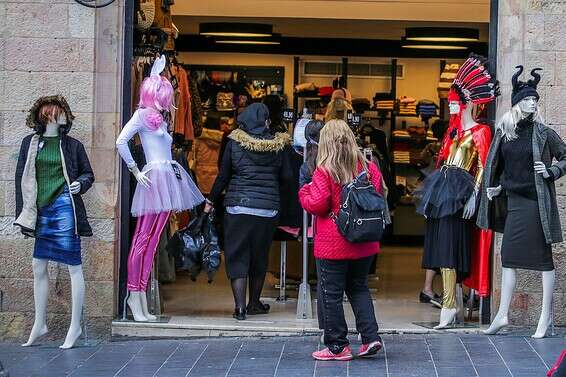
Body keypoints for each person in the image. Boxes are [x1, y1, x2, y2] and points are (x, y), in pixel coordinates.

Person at [478, 66, 566, 338]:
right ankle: (502, 314)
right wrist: (496, 188)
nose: (533, 103)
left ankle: (545, 316)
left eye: (535, 99)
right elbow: (502, 167)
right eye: (528, 99)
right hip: (514, 203)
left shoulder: (543, 132)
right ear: (517, 102)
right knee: (508, 259)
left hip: (536, 204)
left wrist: (551, 171)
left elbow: (564, 157)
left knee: (543, 260)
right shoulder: (505, 131)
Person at [116, 56, 204, 322]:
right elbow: (121, 141)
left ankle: (140, 294)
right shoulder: (142, 115)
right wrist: (135, 170)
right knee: (142, 239)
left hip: (167, 177)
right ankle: (133, 293)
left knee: (152, 242)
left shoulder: (160, 118)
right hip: (154, 178)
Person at [299, 119, 382, 361]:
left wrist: (304, 191)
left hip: (333, 244)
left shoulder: (325, 170)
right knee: (359, 288)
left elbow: (318, 204)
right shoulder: (368, 168)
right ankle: (370, 338)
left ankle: (337, 346)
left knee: (331, 294)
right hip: (364, 242)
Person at [15, 95, 94, 349]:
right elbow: (22, 179)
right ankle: (40, 323)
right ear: (45, 116)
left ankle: (75, 326)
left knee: (73, 266)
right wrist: (23, 215)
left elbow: (88, 174)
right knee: (38, 266)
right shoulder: (30, 143)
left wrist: (79, 184)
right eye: (54, 112)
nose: (60, 116)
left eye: (61, 112)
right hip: (41, 209)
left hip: (64, 208)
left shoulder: (72, 145)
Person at [205, 103, 292, 320]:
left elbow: (223, 176)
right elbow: (288, 177)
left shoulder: (234, 142)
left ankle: (240, 308)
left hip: (237, 208)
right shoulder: (278, 144)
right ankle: (254, 303)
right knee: (259, 256)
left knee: (237, 255)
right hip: (267, 210)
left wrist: (210, 201)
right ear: (265, 120)